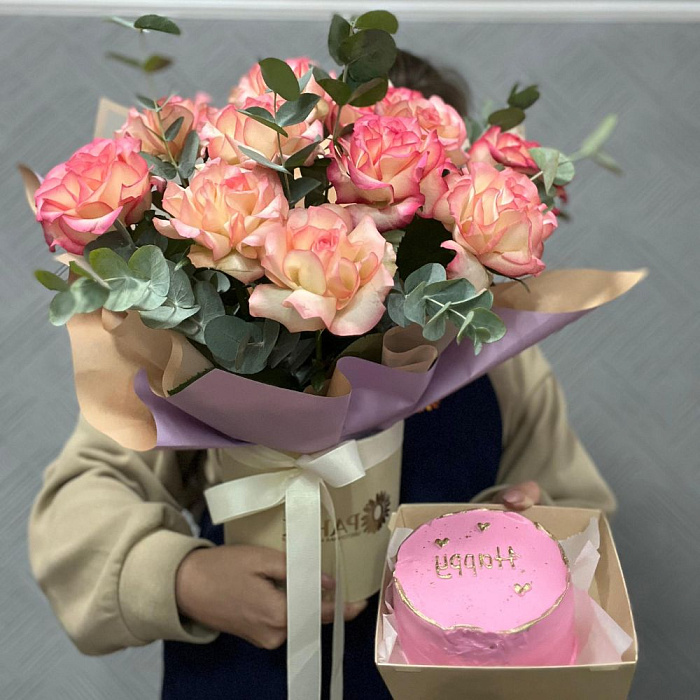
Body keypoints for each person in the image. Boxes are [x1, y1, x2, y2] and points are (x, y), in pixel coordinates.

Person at [28, 51, 616, 700]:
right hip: (247, 675)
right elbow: (81, 501)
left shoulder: (493, 350)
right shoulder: (200, 340)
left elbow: (579, 520)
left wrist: (526, 537)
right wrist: (184, 577)